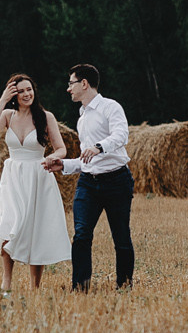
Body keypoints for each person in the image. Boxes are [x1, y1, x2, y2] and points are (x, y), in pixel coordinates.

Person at [44, 64, 131, 291]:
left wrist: (99, 147)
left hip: (117, 181)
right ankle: (80, 287)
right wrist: (64, 164)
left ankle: (124, 286)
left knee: (121, 238)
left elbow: (122, 135)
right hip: (88, 183)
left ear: (84, 83)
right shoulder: (82, 117)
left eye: (71, 83)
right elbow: (86, 160)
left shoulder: (111, 107)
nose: (68, 89)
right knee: (81, 235)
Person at [0, 73, 71, 290]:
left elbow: (61, 148)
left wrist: (51, 157)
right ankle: (7, 282)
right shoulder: (7, 116)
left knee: (35, 230)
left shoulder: (45, 116)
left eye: (29, 89)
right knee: (10, 224)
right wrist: (2, 99)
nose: (26, 94)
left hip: (38, 176)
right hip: (12, 178)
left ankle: (35, 287)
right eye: (20, 91)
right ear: (13, 94)